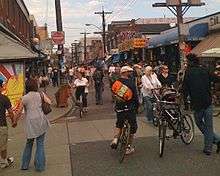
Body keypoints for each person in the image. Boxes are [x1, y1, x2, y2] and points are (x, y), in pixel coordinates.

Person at [183, 54, 220, 155]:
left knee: (199, 122)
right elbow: (216, 79)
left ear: (191, 62)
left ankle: (216, 141)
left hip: (197, 103)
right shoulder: (205, 69)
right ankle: (210, 147)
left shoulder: (188, 72)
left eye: (187, 61)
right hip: (208, 101)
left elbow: (185, 89)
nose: (186, 63)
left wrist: (185, 103)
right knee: (209, 126)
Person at [17, 79, 51, 171]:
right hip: (41, 121)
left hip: (30, 123)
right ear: (36, 86)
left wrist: (14, 121)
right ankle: (40, 167)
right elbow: (49, 102)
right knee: (40, 144)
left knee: (29, 143)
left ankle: (24, 165)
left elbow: (19, 111)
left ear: (26, 87)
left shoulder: (24, 98)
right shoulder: (41, 94)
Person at [110, 66, 139, 155]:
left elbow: (114, 94)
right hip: (130, 108)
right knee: (133, 127)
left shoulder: (116, 83)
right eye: (129, 72)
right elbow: (135, 97)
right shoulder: (131, 83)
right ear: (125, 73)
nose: (130, 73)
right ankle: (128, 147)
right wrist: (137, 107)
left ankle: (115, 139)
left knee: (119, 125)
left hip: (120, 108)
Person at [0, 79, 16, 169]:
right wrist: (13, 121)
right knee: (2, 145)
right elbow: (10, 112)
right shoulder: (4, 98)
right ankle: (3, 162)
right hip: (2, 125)